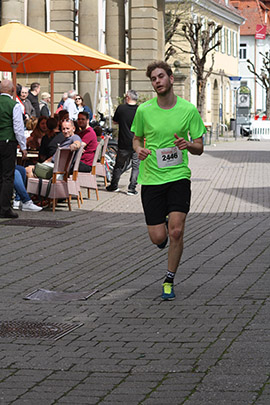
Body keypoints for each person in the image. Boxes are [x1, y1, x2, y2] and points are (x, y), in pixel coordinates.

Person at [132, 61, 206, 301]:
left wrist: (188, 145)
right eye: (153, 78)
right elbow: (137, 139)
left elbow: (200, 147)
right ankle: (162, 226)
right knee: (158, 237)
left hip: (178, 177)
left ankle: (169, 279)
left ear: (171, 79)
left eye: (161, 76)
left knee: (176, 231)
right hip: (151, 178)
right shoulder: (144, 110)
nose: (157, 81)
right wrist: (139, 150)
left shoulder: (188, 110)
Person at [0, 79, 27, 218]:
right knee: (7, 176)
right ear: (12, 91)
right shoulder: (14, 105)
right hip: (7, 142)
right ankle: (4, 208)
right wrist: (23, 147)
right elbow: (18, 128)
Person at [106, 90, 140, 195]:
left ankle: (114, 185)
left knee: (119, 164)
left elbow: (115, 121)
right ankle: (132, 188)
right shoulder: (140, 110)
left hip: (123, 142)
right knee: (136, 166)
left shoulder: (121, 108)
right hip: (137, 142)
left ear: (128, 97)